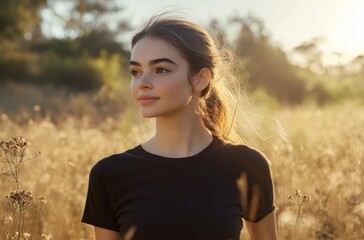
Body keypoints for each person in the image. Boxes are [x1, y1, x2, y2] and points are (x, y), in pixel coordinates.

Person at [82, 13, 278, 240]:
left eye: (161, 69)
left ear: (200, 79)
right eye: (136, 72)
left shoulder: (248, 166)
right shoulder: (109, 174)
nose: (142, 83)